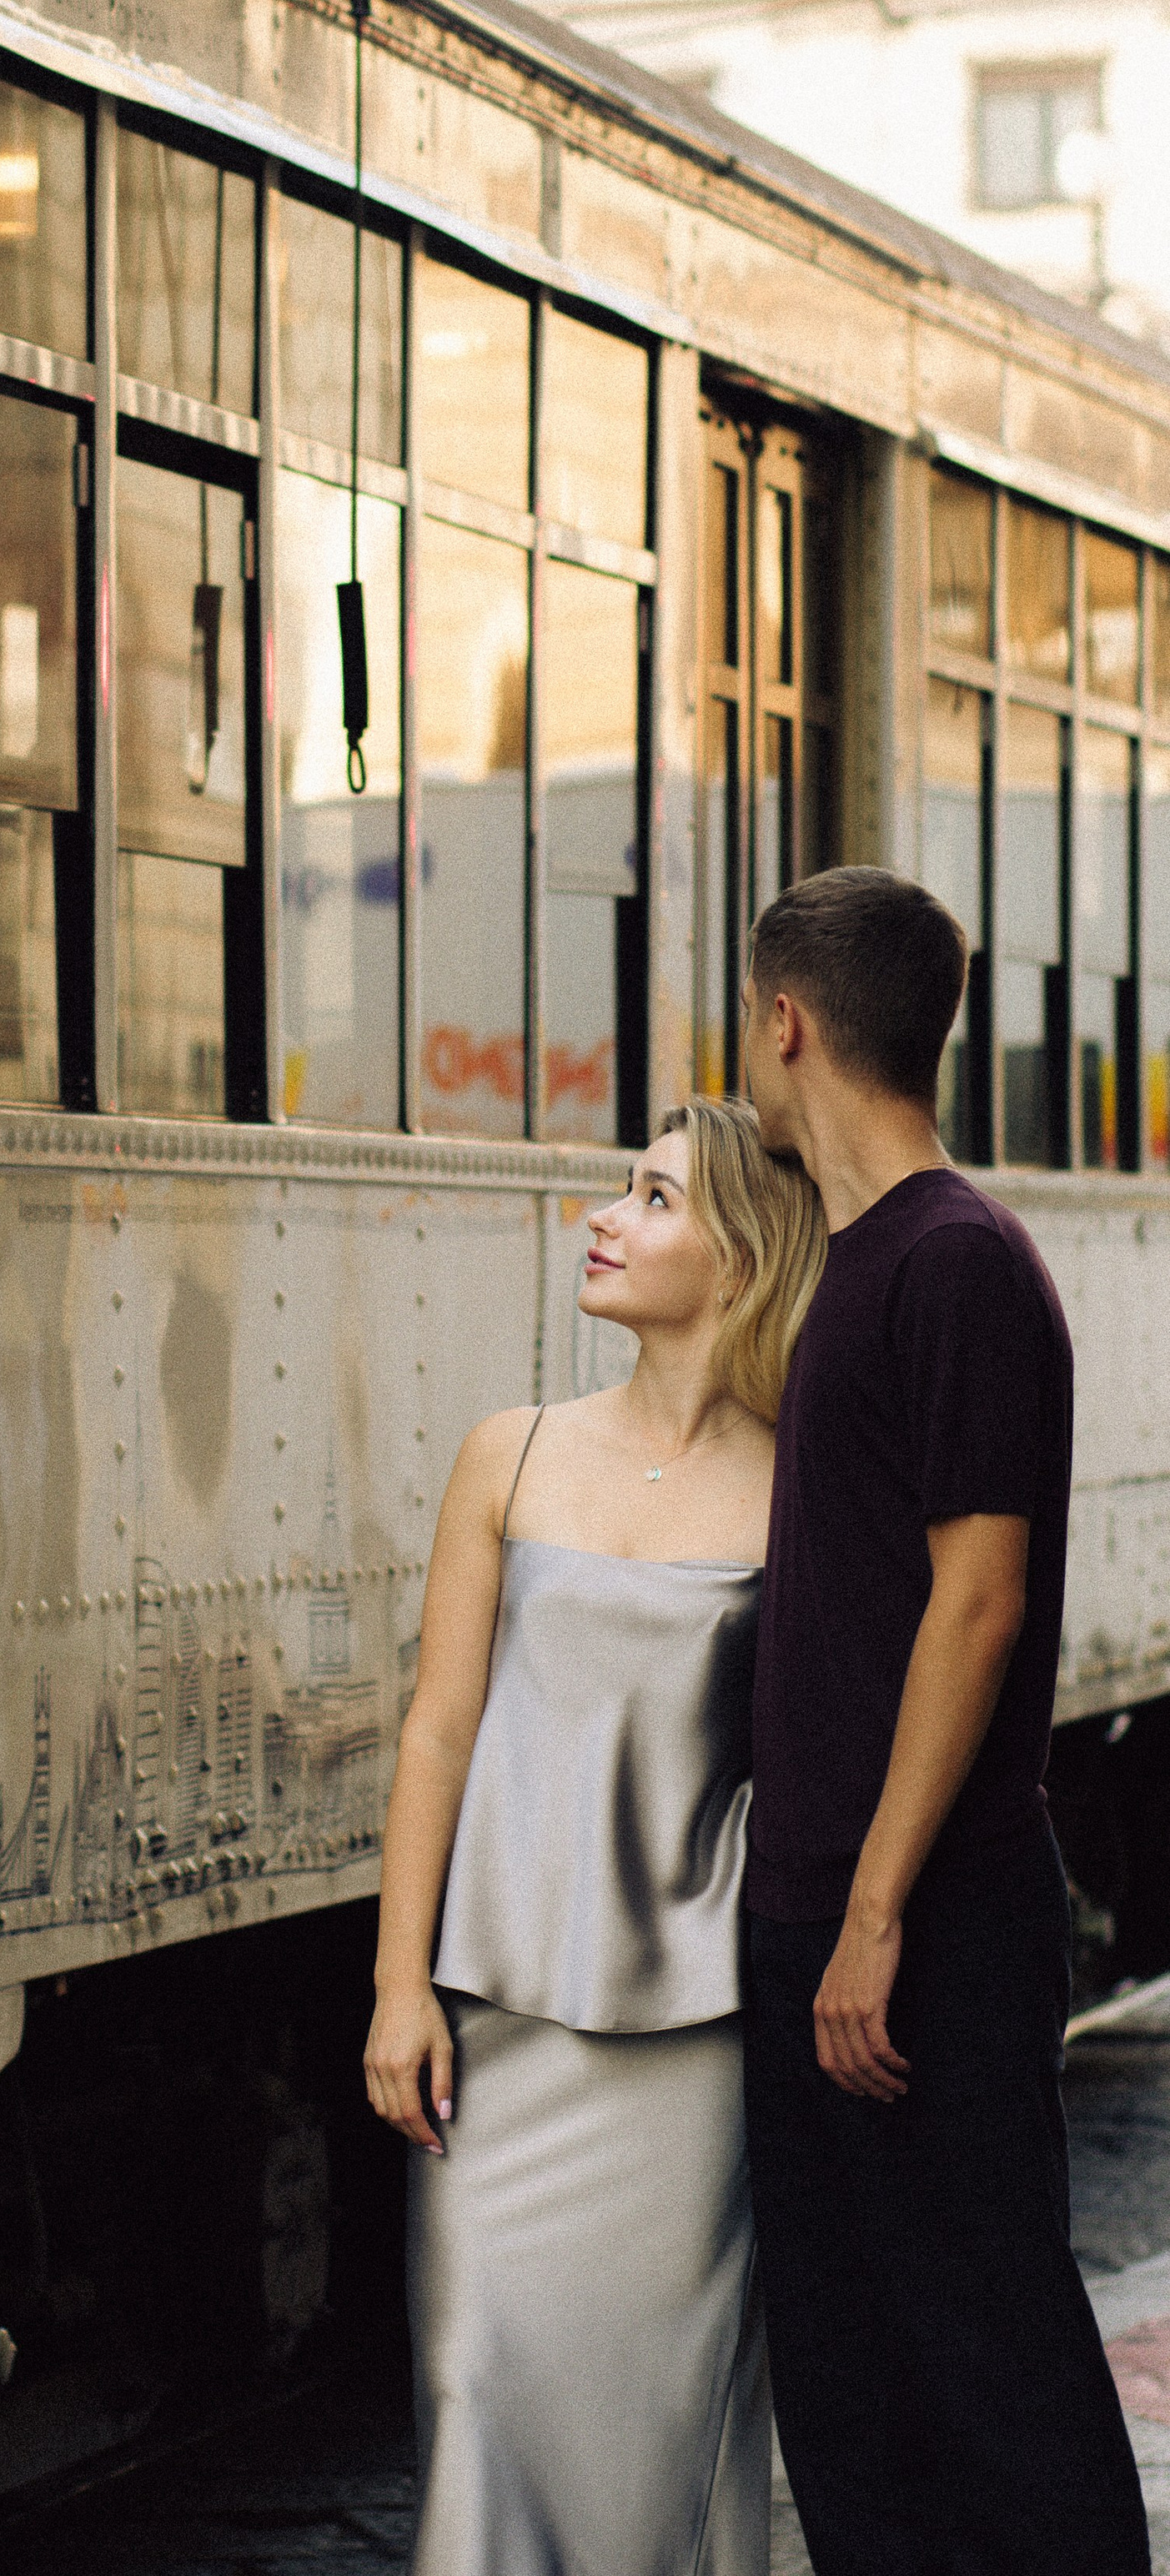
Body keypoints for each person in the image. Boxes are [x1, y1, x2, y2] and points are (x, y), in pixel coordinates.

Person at [739, 864, 1147, 2576]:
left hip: (913, 1921)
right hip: (829, 1909)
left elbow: (970, 1604)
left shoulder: (953, 1262)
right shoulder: (853, 1266)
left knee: (984, 2368)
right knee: (850, 2390)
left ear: (785, 1025)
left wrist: (873, 1911)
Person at [366, 1096, 826, 2575]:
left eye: (654, 1199)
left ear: (744, 1262)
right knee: (472, 2392)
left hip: (692, 2047)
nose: (605, 1218)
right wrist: (398, 1986)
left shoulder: (801, 1492)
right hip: (498, 2033)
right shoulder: (510, 1453)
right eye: (620, 1190)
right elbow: (438, 1726)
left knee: (656, 2454)